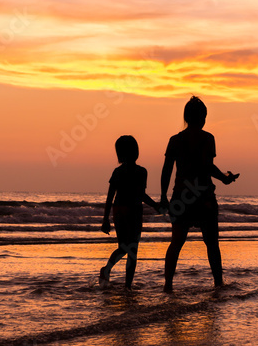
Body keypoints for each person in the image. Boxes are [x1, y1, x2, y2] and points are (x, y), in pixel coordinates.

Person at [159, 97, 239, 291]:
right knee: (211, 244)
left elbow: (166, 170)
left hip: (181, 198)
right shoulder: (207, 138)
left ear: (186, 117)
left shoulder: (175, 140)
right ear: (203, 117)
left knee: (176, 243)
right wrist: (225, 178)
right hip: (204, 198)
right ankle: (218, 283)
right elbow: (207, 166)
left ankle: (168, 285)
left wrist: (163, 196)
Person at [100, 135, 160, 289]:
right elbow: (141, 195)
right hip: (132, 211)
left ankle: (107, 269)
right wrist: (155, 205)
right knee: (132, 250)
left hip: (119, 210)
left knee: (123, 247)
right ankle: (127, 286)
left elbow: (110, 196)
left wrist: (106, 218)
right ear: (136, 151)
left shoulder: (117, 171)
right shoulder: (141, 171)